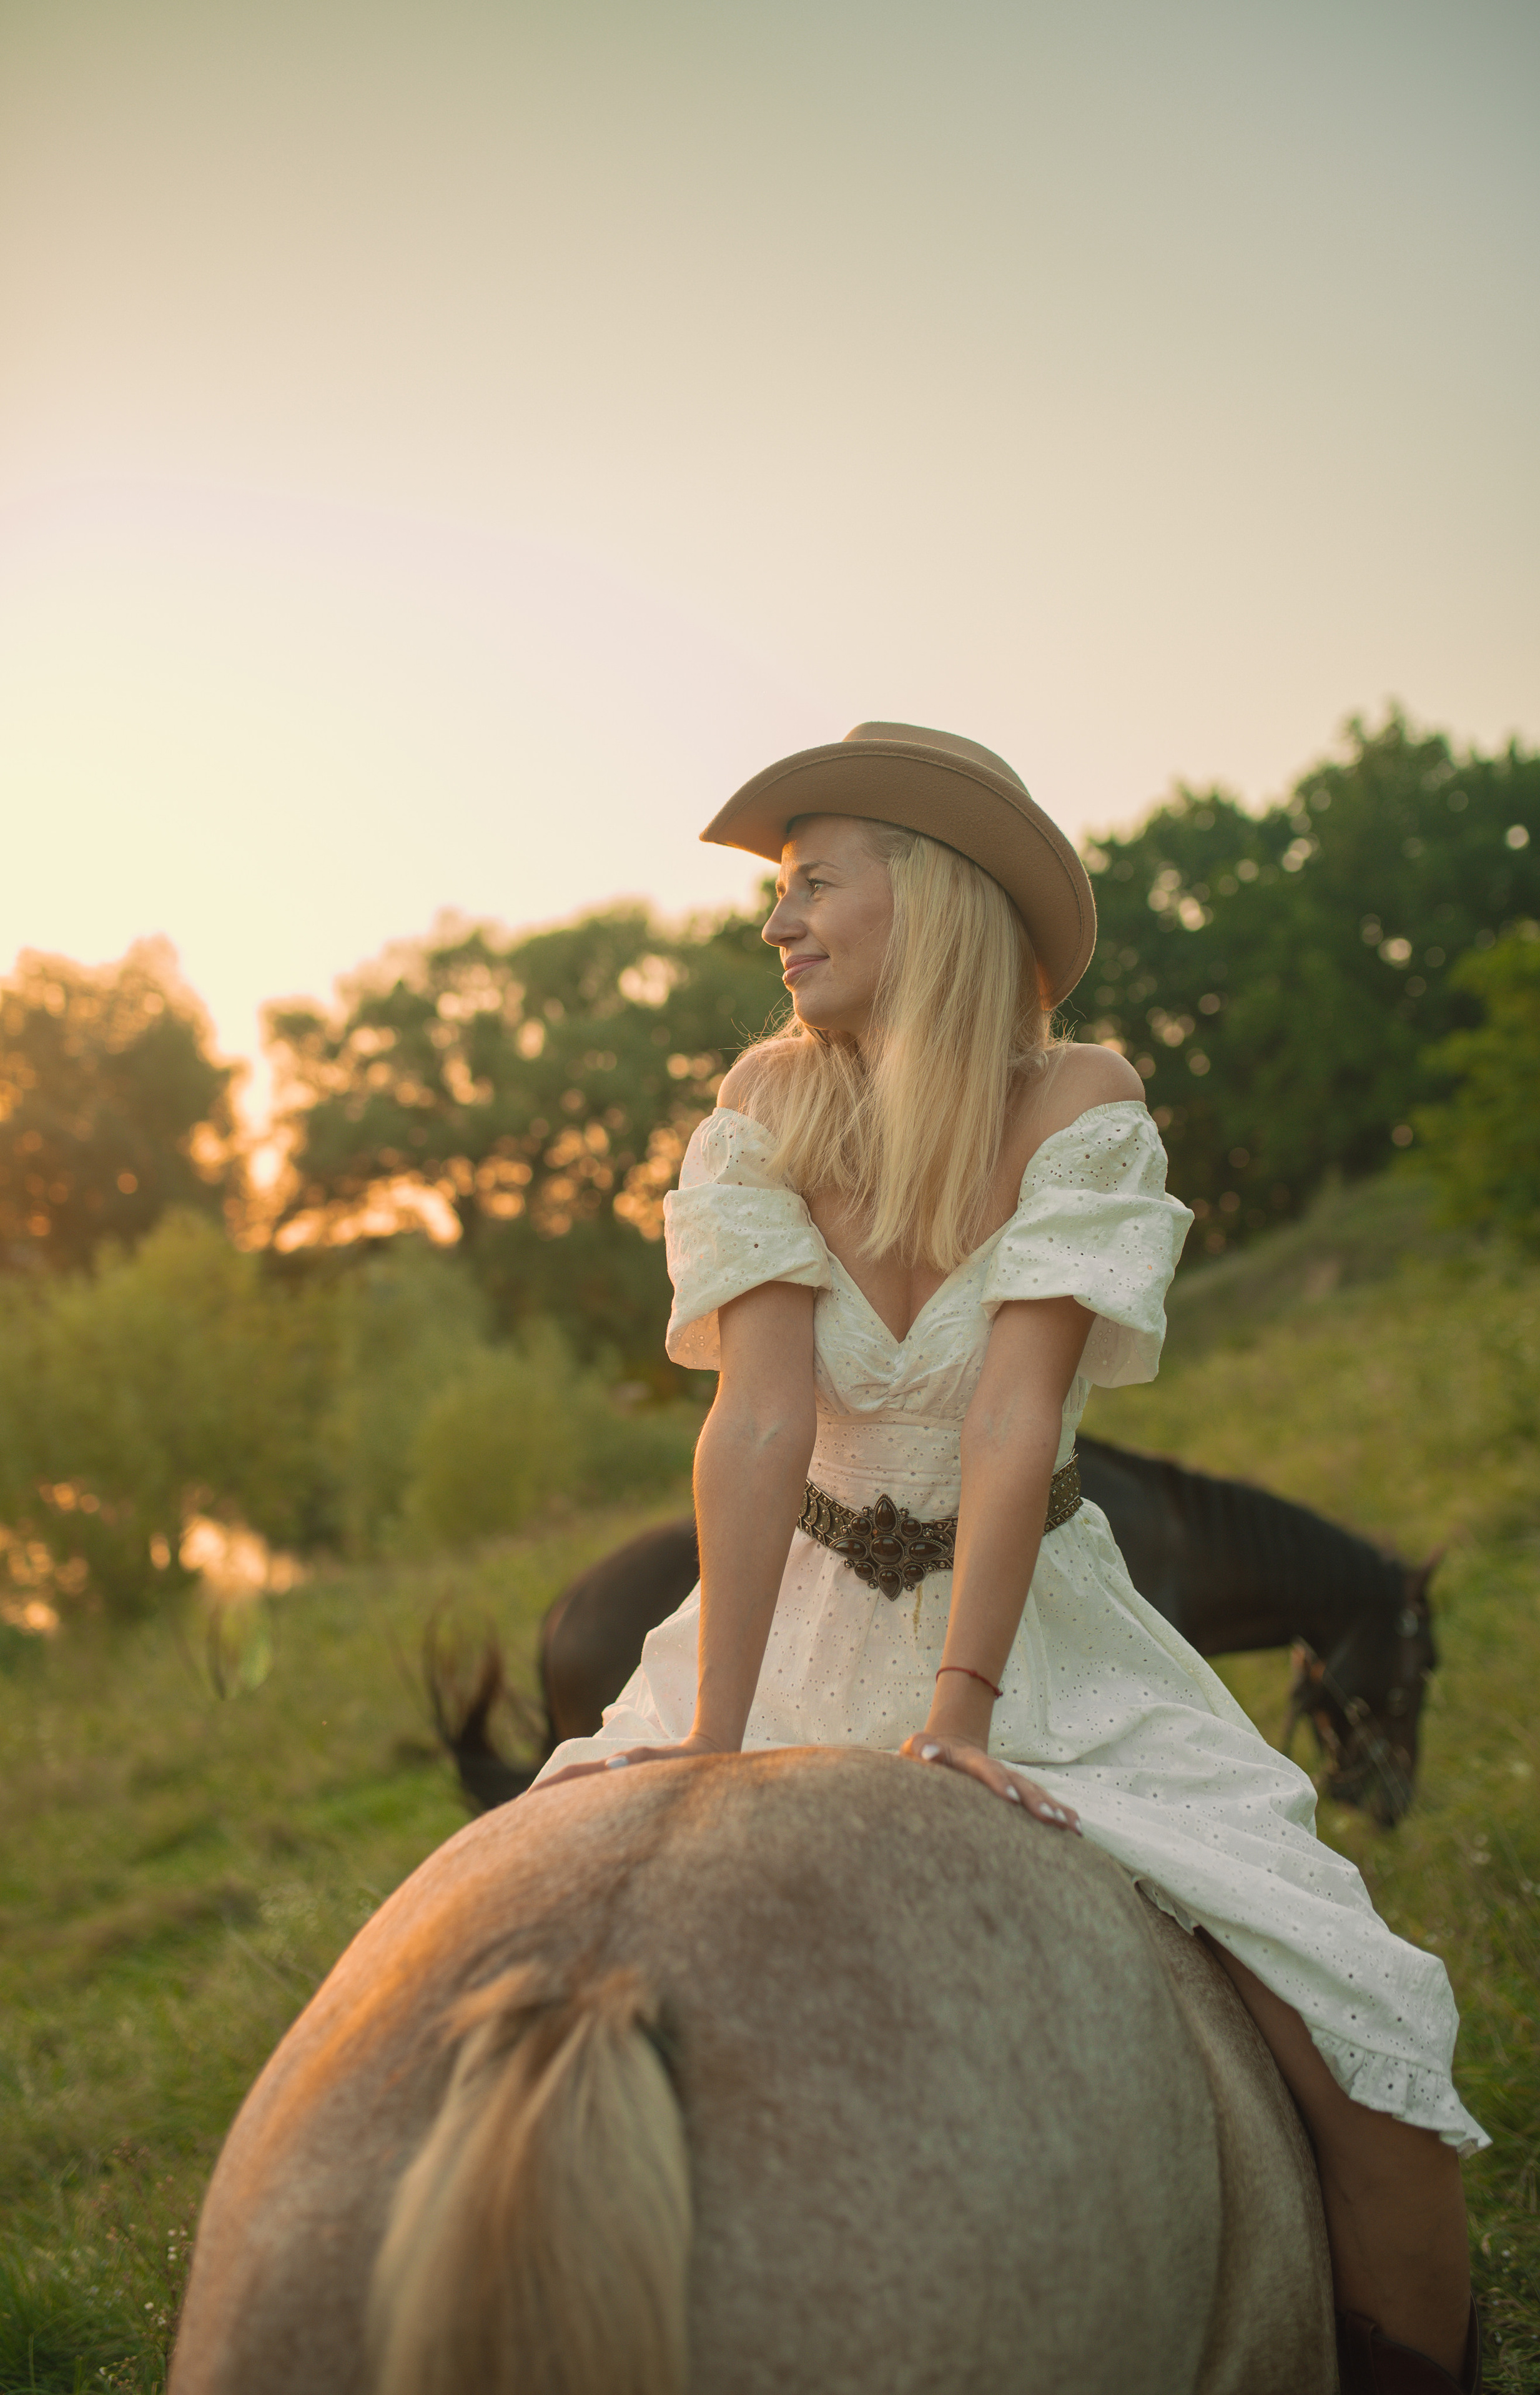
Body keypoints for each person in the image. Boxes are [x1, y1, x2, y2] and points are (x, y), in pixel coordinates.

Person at [535, 723, 1485, 2394]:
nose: (780, 924)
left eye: (814, 880)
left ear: (938, 892)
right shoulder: (760, 1103)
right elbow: (759, 1428)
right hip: (789, 1617)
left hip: (1044, 1639)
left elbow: (1012, 1422)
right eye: (780, 893)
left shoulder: (1082, 1100)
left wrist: (964, 1707)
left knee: (1368, 2029)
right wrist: (715, 1730)